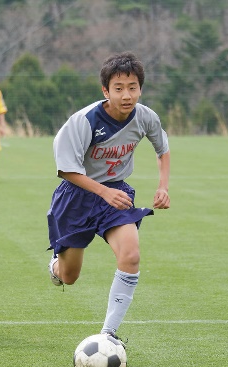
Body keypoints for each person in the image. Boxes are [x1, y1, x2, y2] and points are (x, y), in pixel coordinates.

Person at [46, 52, 171, 342]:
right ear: (105, 90)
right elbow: (66, 171)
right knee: (69, 276)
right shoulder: (83, 121)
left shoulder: (145, 117)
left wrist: (163, 186)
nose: (126, 95)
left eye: (132, 87)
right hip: (76, 197)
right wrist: (103, 191)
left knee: (131, 255)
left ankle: (108, 334)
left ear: (140, 88)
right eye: (118, 88)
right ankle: (56, 265)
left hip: (116, 194)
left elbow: (162, 149)